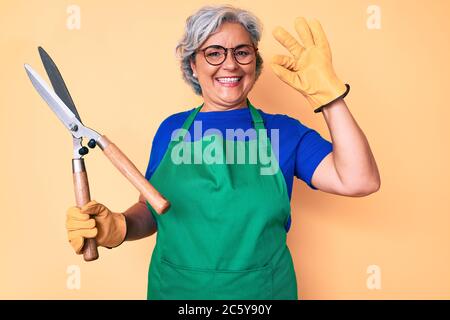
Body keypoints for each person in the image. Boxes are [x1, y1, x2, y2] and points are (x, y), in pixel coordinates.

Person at [65, 4, 380, 300]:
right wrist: (119, 226)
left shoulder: (285, 132)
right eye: (214, 53)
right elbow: (151, 209)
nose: (230, 64)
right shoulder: (171, 130)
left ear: (254, 62)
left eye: (242, 52)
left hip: (260, 297)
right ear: (193, 63)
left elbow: (359, 180)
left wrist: (330, 96)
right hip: (177, 293)